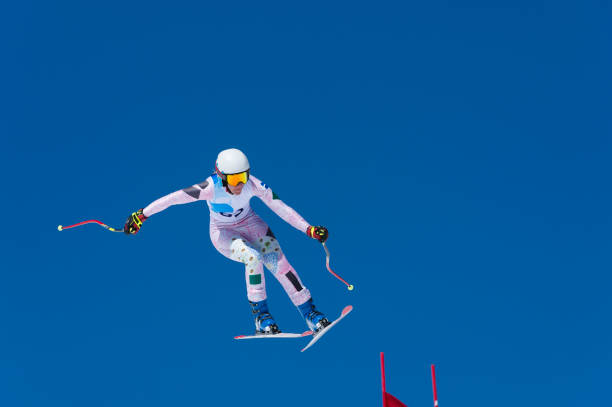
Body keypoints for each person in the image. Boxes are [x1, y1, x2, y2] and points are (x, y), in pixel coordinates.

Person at [124, 148, 331, 334]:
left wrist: (308, 229)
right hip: (223, 234)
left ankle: (310, 314)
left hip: (251, 225)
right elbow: (174, 198)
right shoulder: (209, 188)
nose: (240, 184)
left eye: (243, 176)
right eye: (234, 180)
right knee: (253, 258)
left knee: (279, 264)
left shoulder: (253, 184)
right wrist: (142, 215)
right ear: (221, 177)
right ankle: (262, 317)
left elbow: (280, 207)